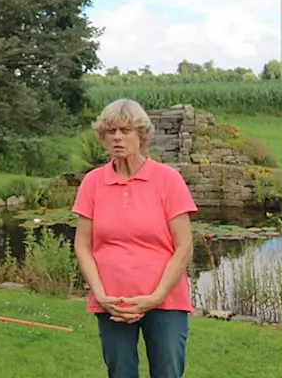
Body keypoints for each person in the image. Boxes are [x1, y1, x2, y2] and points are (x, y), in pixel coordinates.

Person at [71, 98, 197, 378]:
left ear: (141, 136)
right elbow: (82, 245)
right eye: (110, 131)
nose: (117, 137)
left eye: (125, 131)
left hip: (165, 300)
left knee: (167, 372)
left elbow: (184, 245)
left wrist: (157, 296)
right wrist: (100, 294)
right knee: (120, 372)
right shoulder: (92, 182)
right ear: (102, 138)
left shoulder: (168, 180)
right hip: (112, 301)